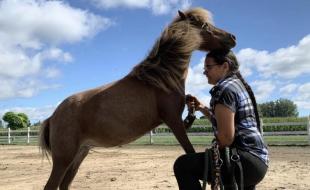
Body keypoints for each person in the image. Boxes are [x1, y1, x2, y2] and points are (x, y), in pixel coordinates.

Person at [174, 50, 268, 190]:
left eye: (209, 67)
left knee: (183, 165)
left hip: (243, 160)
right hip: (256, 161)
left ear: (225, 66)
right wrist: (201, 108)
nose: (205, 72)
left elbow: (226, 139)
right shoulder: (235, 85)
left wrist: (215, 148)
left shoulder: (223, 89)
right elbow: (225, 123)